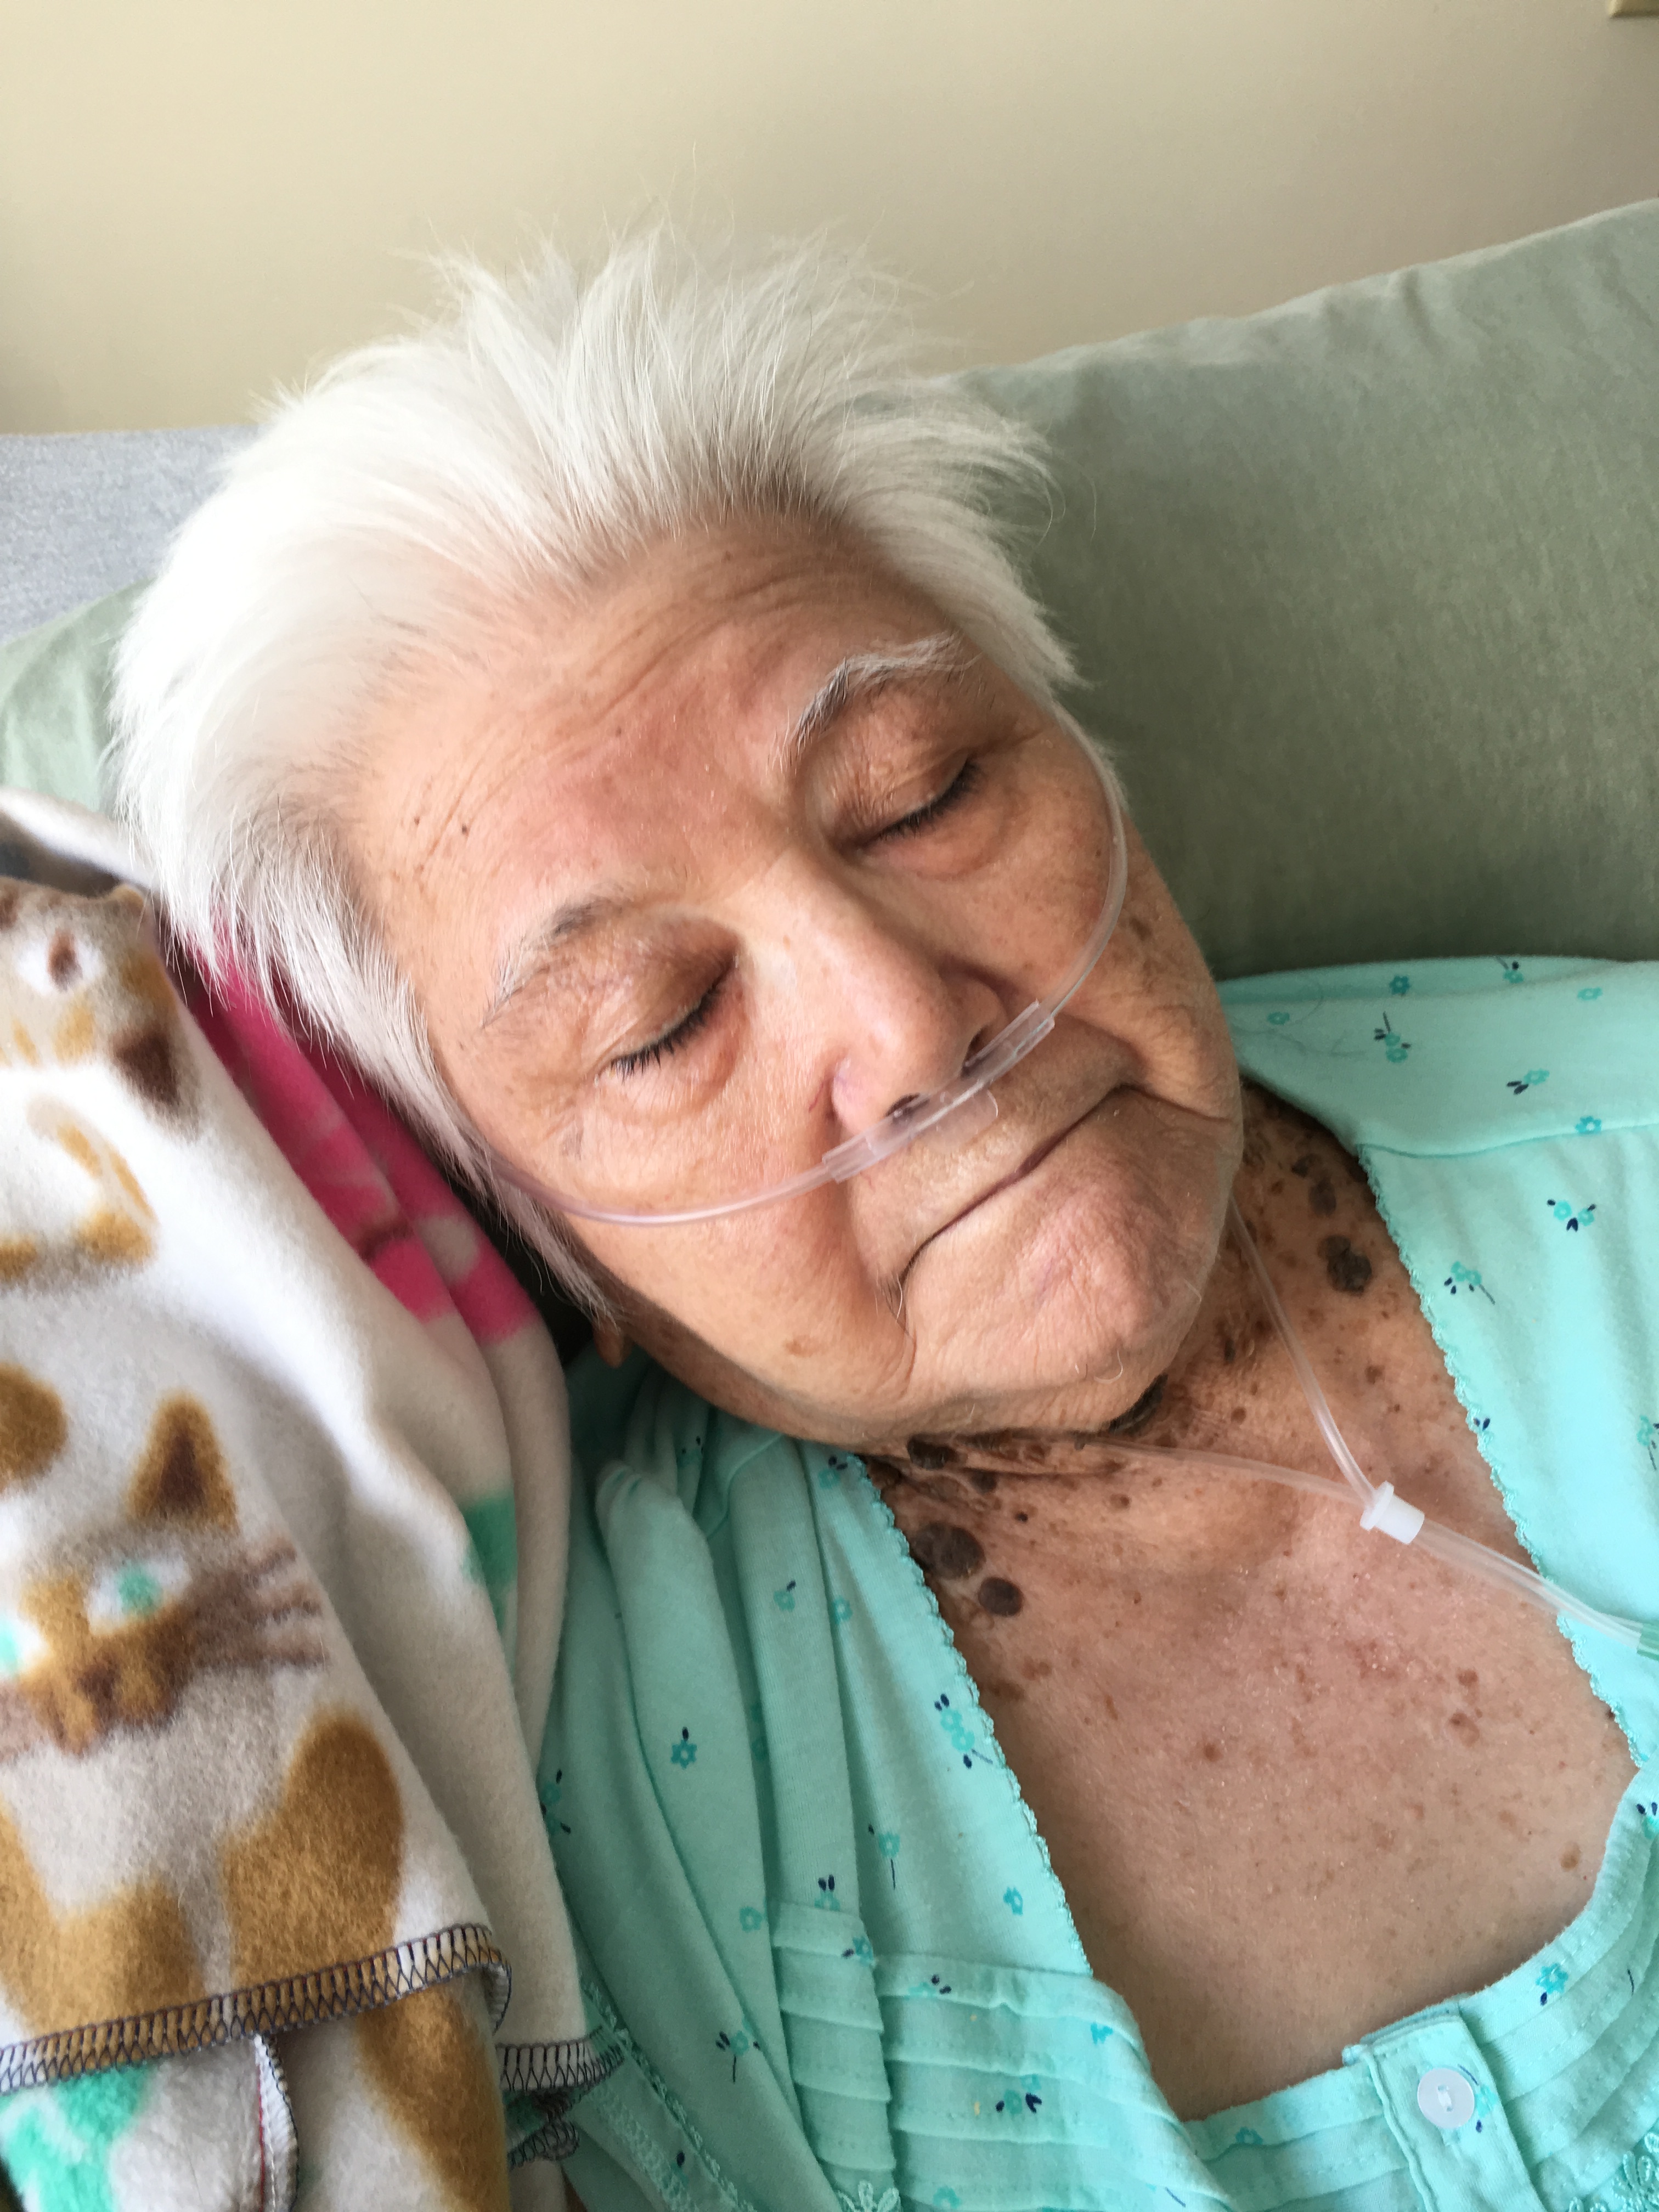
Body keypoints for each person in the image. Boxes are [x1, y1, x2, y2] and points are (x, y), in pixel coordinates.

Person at [111, 233, 1659, 2210]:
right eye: (660, 1020)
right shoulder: (528, 1816)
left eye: (922, 796)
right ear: (519, 1224)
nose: (912, 1023)